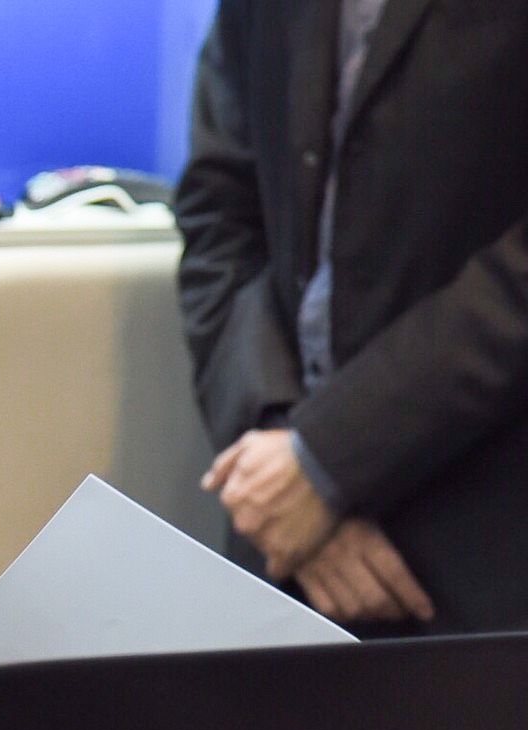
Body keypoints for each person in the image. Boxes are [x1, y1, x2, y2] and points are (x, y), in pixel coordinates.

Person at [175, 0, 528, 633]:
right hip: (282, 549)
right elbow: (219, 210)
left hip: (484, 555)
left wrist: (328, 456)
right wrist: (281, 451)